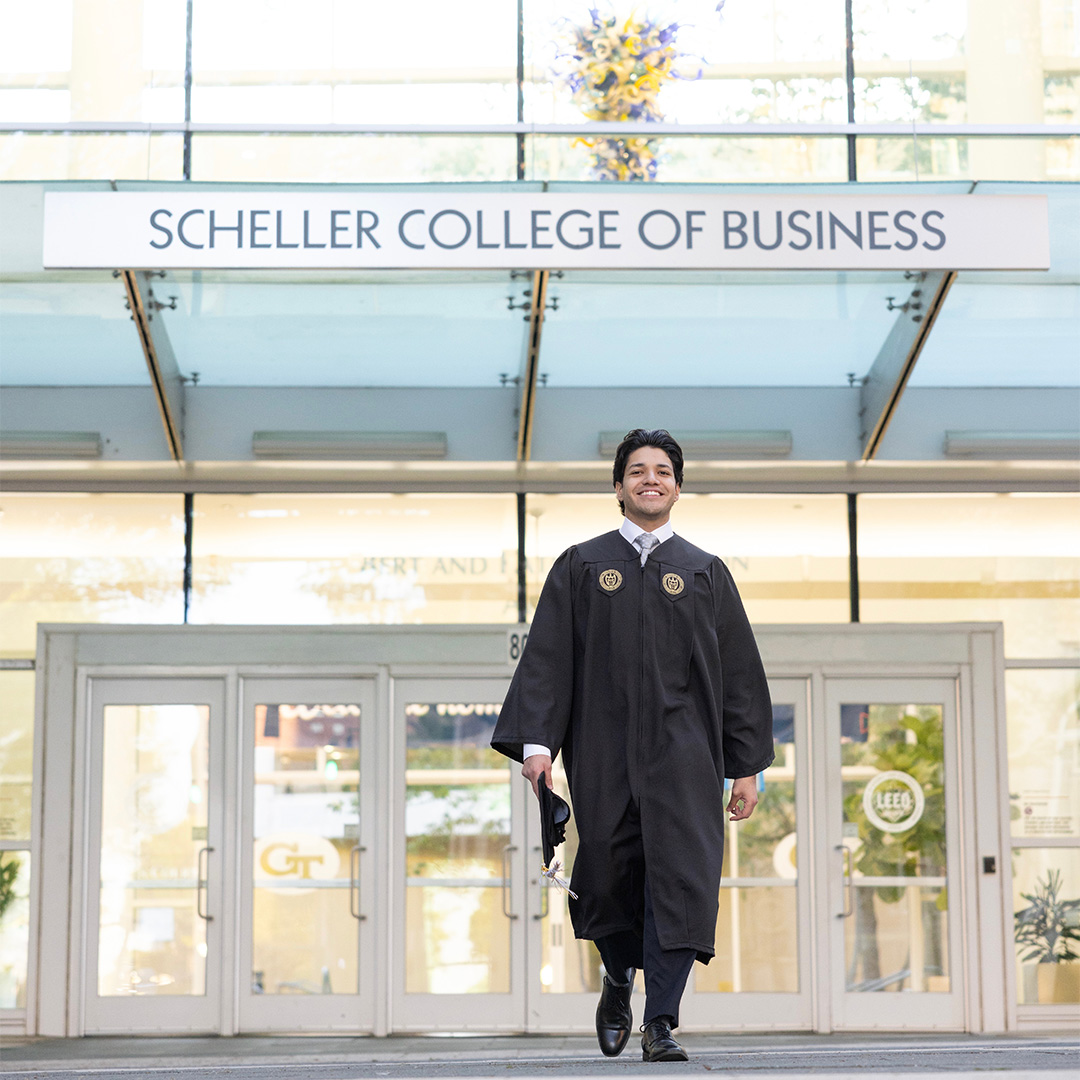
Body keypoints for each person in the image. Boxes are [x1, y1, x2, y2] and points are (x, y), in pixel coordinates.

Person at [491, 428, 773, 1062]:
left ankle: (662, 1021)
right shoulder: (583, 565)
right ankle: (618, 979)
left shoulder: (705, 572)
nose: (652, 479)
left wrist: (746, 766)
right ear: (617, 487)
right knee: (610, 876)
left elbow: (739, 674)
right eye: (638, 470)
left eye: (664, 471)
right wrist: (539, 746)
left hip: (685, 758)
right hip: (604, 752)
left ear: (678, 486)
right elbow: (549, 658)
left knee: (682, 878)